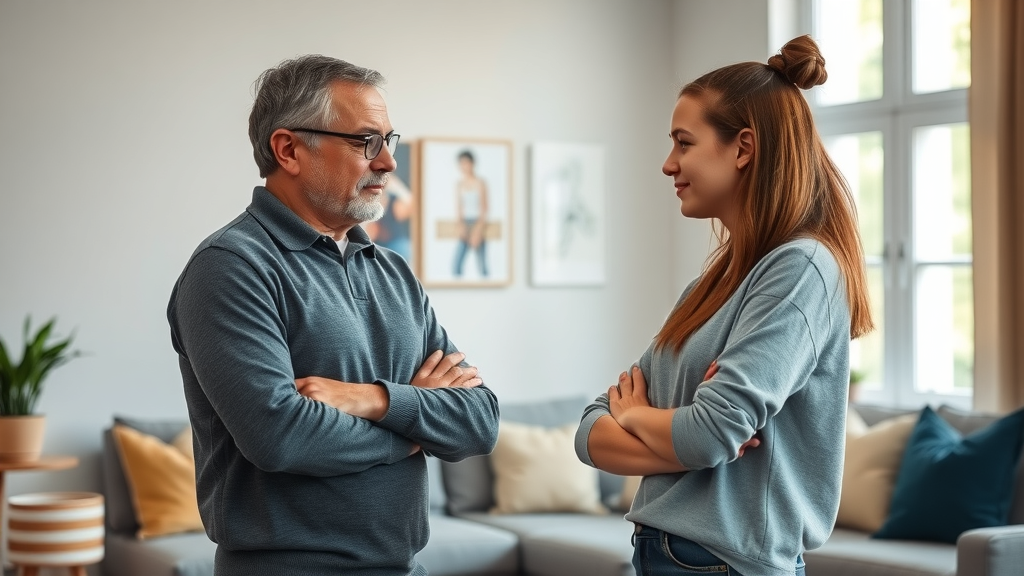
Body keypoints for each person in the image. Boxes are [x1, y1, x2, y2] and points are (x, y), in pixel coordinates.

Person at [167, 55, 499, 576]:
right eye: (367, 142)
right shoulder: (230, 267)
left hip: (405, 566)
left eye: (390, 141)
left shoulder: (392, 271)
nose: (388, 163)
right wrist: (416, 427)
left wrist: (373, 400)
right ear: (289, 149)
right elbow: (281, 437)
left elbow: (480, 422)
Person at [574, 35, 872, 576]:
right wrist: (684, 436)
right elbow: (590, 430)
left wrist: (638, 416)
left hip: (725, 562)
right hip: (667, 551)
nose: (668, 164)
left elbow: (708, 432)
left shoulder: (801, 268)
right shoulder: (713, 285)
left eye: (683, 143)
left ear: (743, 147)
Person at [452, 150, 489, 277]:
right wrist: (461, 227)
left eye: (466, 163)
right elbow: (459, 208)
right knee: (456, 266)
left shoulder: (480, 183)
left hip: (478, 223)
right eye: (461, 164)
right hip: (464, 224)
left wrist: (477, 232)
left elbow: (484, 208)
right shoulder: (459, 184)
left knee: (483, 266)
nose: (464, 166)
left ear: (472, 163)